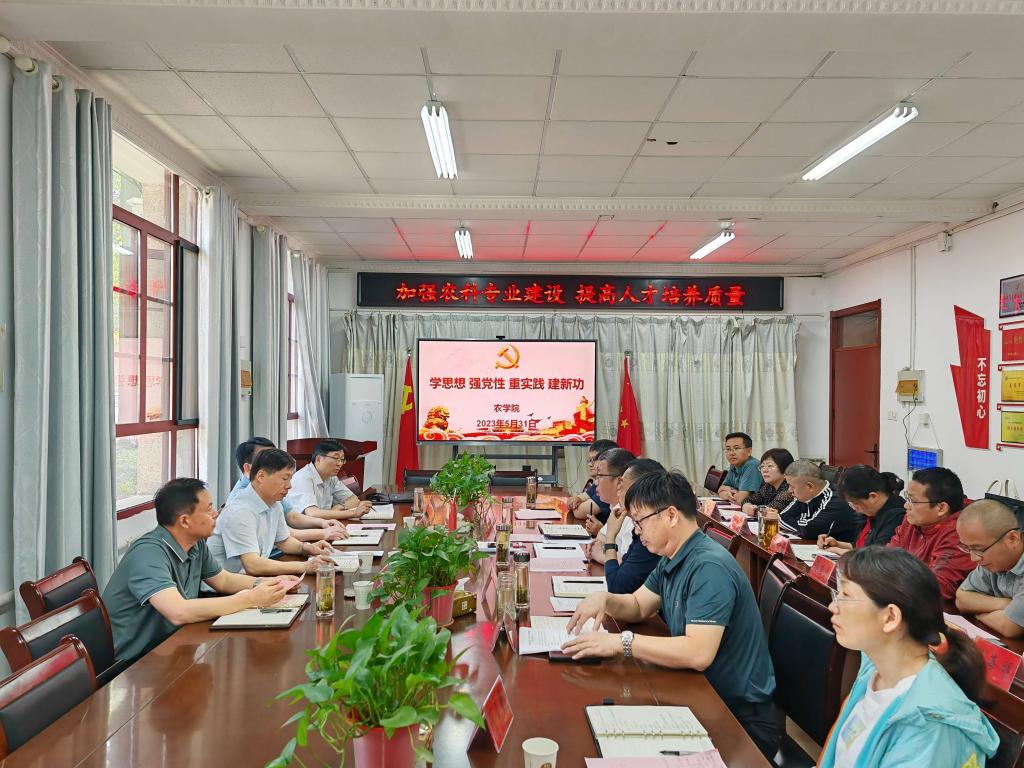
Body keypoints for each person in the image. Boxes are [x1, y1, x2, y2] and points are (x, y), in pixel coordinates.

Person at [562, 470, 783, 758]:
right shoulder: (673, 556)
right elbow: (639, 605)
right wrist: (605, 599)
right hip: (701, 694)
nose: (637, 531)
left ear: (670, 515)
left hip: (739, 718)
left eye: (639, 522)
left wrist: (620, 642)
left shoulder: (709, 567)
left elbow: (698, 653)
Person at [819, 546, 998, 768]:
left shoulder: (930, 726)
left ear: (890, 617)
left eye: (845, 596)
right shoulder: (875, 670)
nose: (833, 606)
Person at [101, 478, 292, 663]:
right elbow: (178, 611)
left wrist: (267, 583)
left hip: (171, 645)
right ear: (185, 521)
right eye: (208, 510)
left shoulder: (195, 543)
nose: (215, 514)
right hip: (133, 661)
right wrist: (251, 599)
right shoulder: (148, 554)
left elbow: (223, 580)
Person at [208, 448, 336, 576]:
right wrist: (304, 566)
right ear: (261, 476)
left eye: (290, 479)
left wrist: (306, 548)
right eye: (285, 478)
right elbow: (253, 565)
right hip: (226, 584)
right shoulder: (240, 511)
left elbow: (284, 541)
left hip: (252, 579)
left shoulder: (274, 504)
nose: (289, 485)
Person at [231, 437, 347, 542]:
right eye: (266, 459)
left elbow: (292, 516)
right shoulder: (242, 499)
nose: (289, 485)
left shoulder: (270, 490)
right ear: (248, 468)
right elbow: (281, 535)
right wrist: (323, 533)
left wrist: (323, 523)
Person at [887, 467, 974, 602]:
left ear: (941, 508)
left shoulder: (960, 533)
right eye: (907, 497)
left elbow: (937, 588)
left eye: (913, 501)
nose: (906, 506)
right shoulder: (913, 519)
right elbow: (885, 559)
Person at [590, 453, 663, 594]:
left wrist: (610, 539)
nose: (618, 492)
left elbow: (617, 587)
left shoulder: (652, 532)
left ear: (639, 491)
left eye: (622, 487)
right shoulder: (639, 526)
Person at [955, 499, 1024, 638]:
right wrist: (1004, 604)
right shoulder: (992, 561)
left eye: (979, 549)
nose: (973, 558)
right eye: (967, 548)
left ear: (1012, 538)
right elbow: (962, 599)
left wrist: (979, 614)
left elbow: (1009, 627)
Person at [818, 465, 906, 554]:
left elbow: (876, 555)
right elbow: (860, 546)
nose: (854, 508)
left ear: (873, 497)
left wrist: (838, 551)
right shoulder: (870, 512)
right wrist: (838, 544)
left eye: (854, 504)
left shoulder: (897, 516)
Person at [285, 439, 373, 522]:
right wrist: (353, 513)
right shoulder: (303, 478)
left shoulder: (331, 478)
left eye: (342, 459)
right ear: (318, 459)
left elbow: (354, 500)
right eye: (336, 458)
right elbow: (312, 513)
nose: (340, 464)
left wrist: (339, 507)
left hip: (322, 526)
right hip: (301, 529)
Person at [778, 459, 862, 542]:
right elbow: (781, 518)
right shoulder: (803, 496)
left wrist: (801, 522)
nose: (789, 490)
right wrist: (802, 523)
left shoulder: (835, 499)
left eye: (792, 486)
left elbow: (809, 531)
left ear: (809, 486)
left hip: (843, 549)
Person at [568, 439, 617, 527]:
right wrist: (576, 500)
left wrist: (576, 504)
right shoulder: (598, 482)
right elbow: (572, 501)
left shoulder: (608, 485)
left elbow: (579, 513)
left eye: (594, 460)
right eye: (589, 460)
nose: (590, 464)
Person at [740, 448, 794, 517]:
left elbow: (768, 513)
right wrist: (748, 507)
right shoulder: (768, 486)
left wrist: (750, 509)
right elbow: (747, 500)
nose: (764, 470)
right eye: (762, 466)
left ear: (785, 468)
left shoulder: (790, 489)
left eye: (769, 466)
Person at [717, 432, 762, 505]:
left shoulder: (753, 465)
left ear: (749, 451)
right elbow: (720, 490)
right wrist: (728, 494)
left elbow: (740, 500)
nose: (731, 453)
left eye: (736, 448)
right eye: (728, 449)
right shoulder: (734, 465)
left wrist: (728, 492)